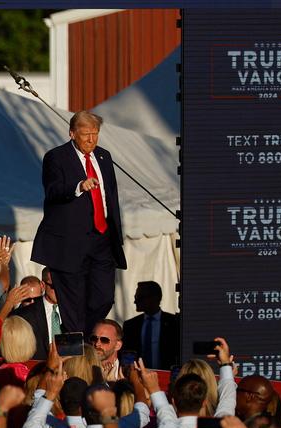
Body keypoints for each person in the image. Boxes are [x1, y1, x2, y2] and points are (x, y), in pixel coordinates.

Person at [31, 111, 126, 335]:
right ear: (72, 133)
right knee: (73, 303)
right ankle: (77, 347)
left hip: (102, 238)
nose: (91, 140)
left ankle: (83, 334)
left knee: (104, 297)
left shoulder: (104, 157)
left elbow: (110, 196)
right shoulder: (56, 157)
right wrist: (78, 186)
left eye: (95, 134)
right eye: (86, 135)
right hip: (70, 243)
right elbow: (52, 192)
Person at [122, 281, 180, 370]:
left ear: (154, 298)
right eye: (135, 297)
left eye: (139, 298)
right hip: (137, 376)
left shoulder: (174, 323)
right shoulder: (130, 325)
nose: (135, 302)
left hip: (167, 375)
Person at [12, 268, 61, 360]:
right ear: (43, 285)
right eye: (54, 286)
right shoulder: (25, 314)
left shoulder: (73, 311)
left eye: (62, 286)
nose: (59, 290)